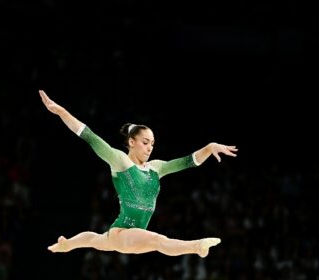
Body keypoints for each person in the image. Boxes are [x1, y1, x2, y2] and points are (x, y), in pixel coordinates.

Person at [39, 90, 238, 257]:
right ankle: (196, 246)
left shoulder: (156, 168)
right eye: (145, 142)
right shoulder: (121, 161)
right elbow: (90, 136)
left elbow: (187, 162)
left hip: (133, 236)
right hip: (122, 233)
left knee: (95, 239)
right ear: (132, 142)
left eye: (152, 143)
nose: (150, 147)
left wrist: (209, 147)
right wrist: (61, 112)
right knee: (159, 241)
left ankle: (67, 245)